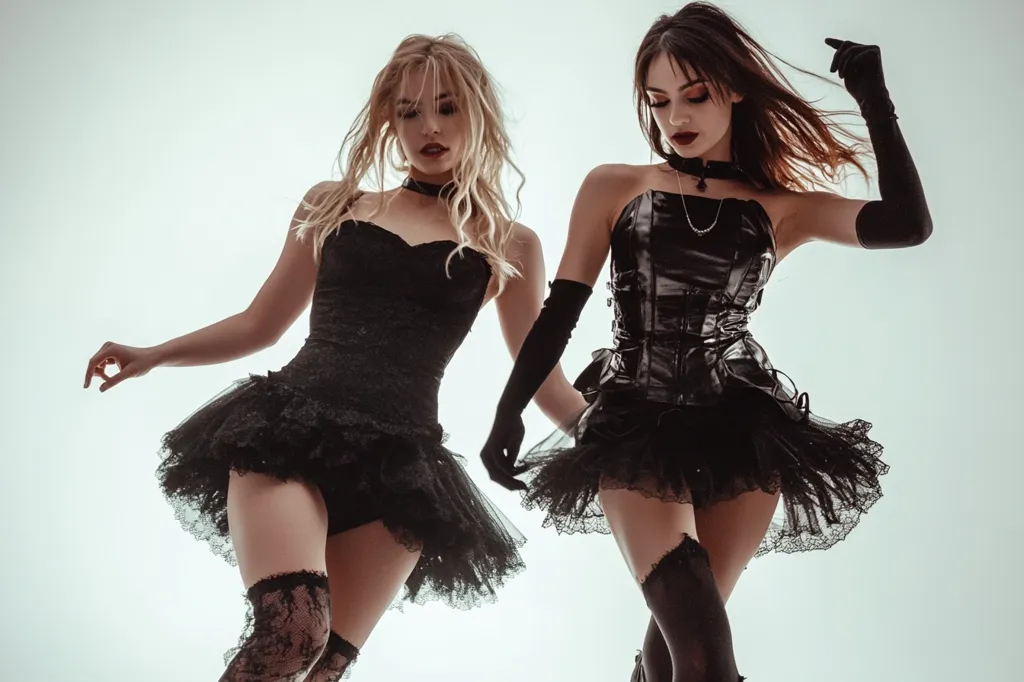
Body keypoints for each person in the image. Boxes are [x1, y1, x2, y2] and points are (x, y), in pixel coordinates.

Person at [83, 33, 583, 681]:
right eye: (409, 112)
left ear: (479, 113)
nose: (428, 126)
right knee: (294, 634)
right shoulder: (334, 205)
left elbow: (539, 376)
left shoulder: (509, 244)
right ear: (387, 121)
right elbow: (260, 324)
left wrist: (615, 434)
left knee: (321, 669)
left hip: (402, 469)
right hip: (288, 434)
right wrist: (155, 354)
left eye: (448, 107)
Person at [479, 3, 931, 681]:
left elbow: (907, 224)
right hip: (635, 425)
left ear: (735, 88)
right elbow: (559, 314)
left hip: (743, 432)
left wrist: (875, 100)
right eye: (659, 102)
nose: (676, 118)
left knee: (677, 654)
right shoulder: (615, 186)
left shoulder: (781, 206)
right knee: (701, 648)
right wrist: (508, 408)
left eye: (696, 96)